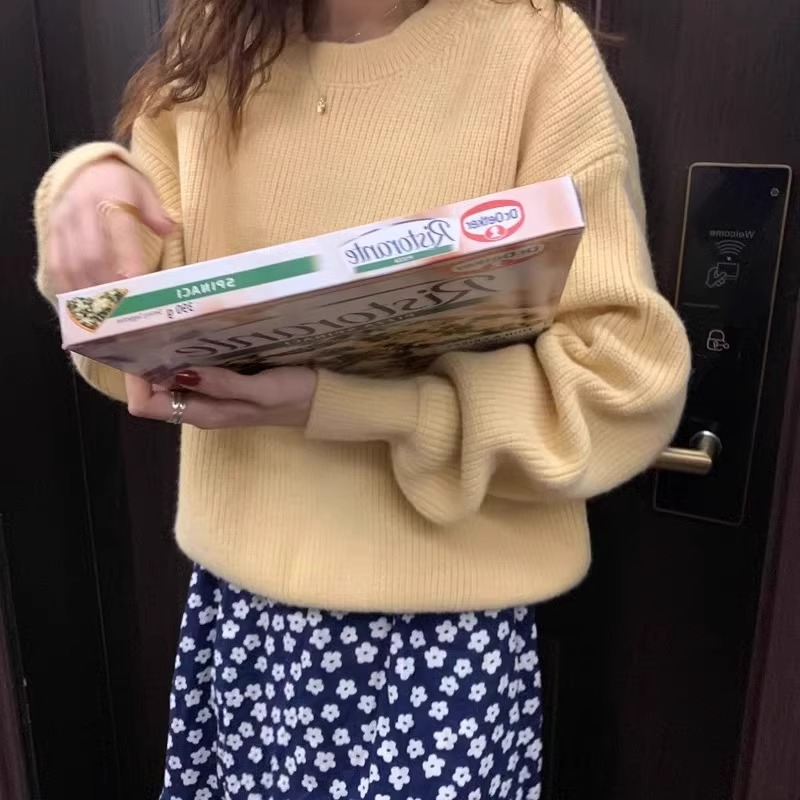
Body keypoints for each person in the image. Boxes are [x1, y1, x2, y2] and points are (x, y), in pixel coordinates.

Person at [34, 1, 691, 798]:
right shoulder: (210, 56)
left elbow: (621, 386)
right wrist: (84, 189)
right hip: (247, 628)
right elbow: (125, 360)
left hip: (442, 644)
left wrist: (352, 404)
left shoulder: (534, 48)